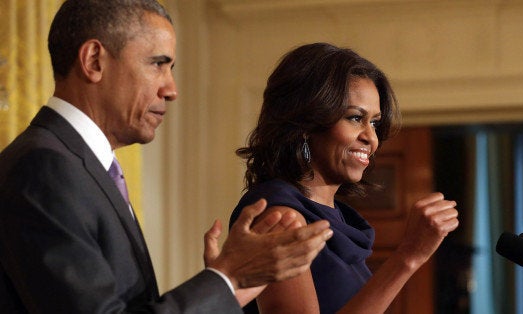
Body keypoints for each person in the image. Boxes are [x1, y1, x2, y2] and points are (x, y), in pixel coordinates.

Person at [0, 1, 333, 313]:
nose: (171, 89)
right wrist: (227, 278)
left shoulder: (85, 168)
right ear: (94, 61)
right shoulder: (44, 168)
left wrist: (236, 284)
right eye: (158, 64)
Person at [229, 42, 460, 314]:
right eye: (354, 118)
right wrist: (407, 257)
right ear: (306, 123)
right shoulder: (280, 218)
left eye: (374, 122)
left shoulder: (338, 218)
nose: (371, 138)